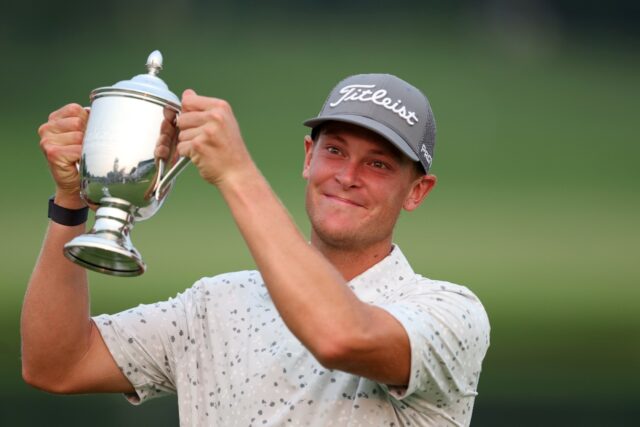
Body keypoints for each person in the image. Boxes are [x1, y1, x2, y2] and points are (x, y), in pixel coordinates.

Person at [22, 73, 490, 426]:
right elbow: (57, 364)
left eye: (379, 164)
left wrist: (237, 173)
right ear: (308, 157)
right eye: (335, 151)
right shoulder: (215, 304)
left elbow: (339, 336)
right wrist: (71, 202)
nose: (348, 176)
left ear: (417, 191)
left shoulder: (449, 314)